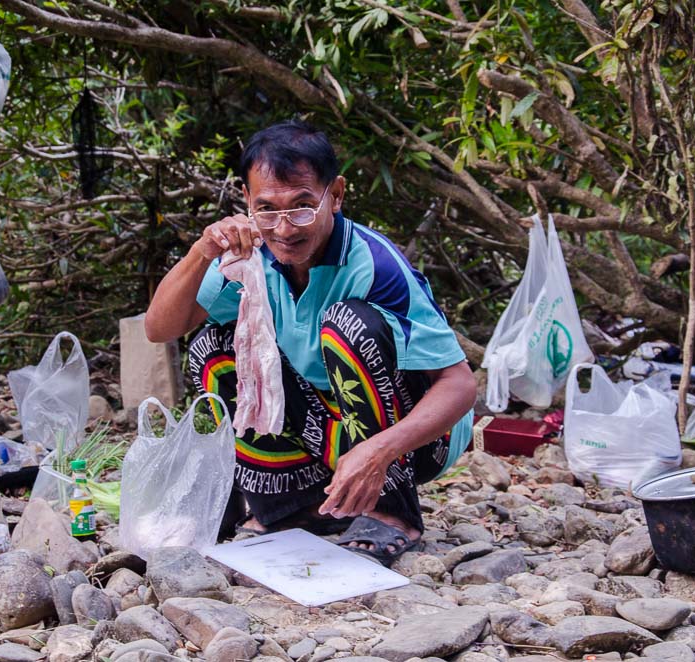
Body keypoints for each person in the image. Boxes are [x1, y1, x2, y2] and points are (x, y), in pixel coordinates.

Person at [145, 120, 476, 566]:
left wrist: (378, 452)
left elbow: (459, 385)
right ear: (246, 201)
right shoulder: (248, 254)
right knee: (213, 348)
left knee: (349, 325)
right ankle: (291, 509)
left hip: (417, 438)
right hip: (329, 425)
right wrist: (201, 251)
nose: (284, 229)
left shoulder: (373, 265)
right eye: (267, 210)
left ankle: (391, 512)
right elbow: (160, 327)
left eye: (302, 207)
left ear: (335, 196)